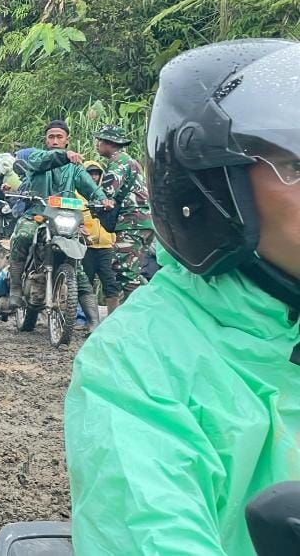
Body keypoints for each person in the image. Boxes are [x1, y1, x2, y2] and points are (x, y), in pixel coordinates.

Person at [66, 38, 300, 556]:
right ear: (216, 188)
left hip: (125, 233)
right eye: (298, 168)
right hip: (119, 236)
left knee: (112, 278)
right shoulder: (136, 364)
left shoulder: (108, 170)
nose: (107, 147)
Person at [7, 120, 111, 307]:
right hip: (36, 214)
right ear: (46, 140)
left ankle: (92, 320)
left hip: (64, 218)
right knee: (23, 235)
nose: (55, 140)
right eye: (51, 137)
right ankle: (15, 288)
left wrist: (102, 199)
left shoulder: (75, 167)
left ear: (67, 139)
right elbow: (46, 160)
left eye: (59, 137)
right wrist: (64, 155)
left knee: (77, 263)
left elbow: (89, 185)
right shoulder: (36, 157)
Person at [93, 124, 154, 312]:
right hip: (141, 221)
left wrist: (95, 201)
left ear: (109, 143)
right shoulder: (130, 161)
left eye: (99, 141)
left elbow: (107, 192)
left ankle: (143, 312)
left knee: (125, 270)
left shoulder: (118, 162)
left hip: (131, 221)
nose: (97, 145)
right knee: (131, 268)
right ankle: (151, 301)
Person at [78, 161, 118, 320]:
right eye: (90, 173)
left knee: (110, 283)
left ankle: (112, 320)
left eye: (96, 173)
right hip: (86, 246)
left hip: (107, 247)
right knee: (84, 284)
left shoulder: (107, 196)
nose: (94, 176)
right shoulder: (77, 196)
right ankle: (85, 319)